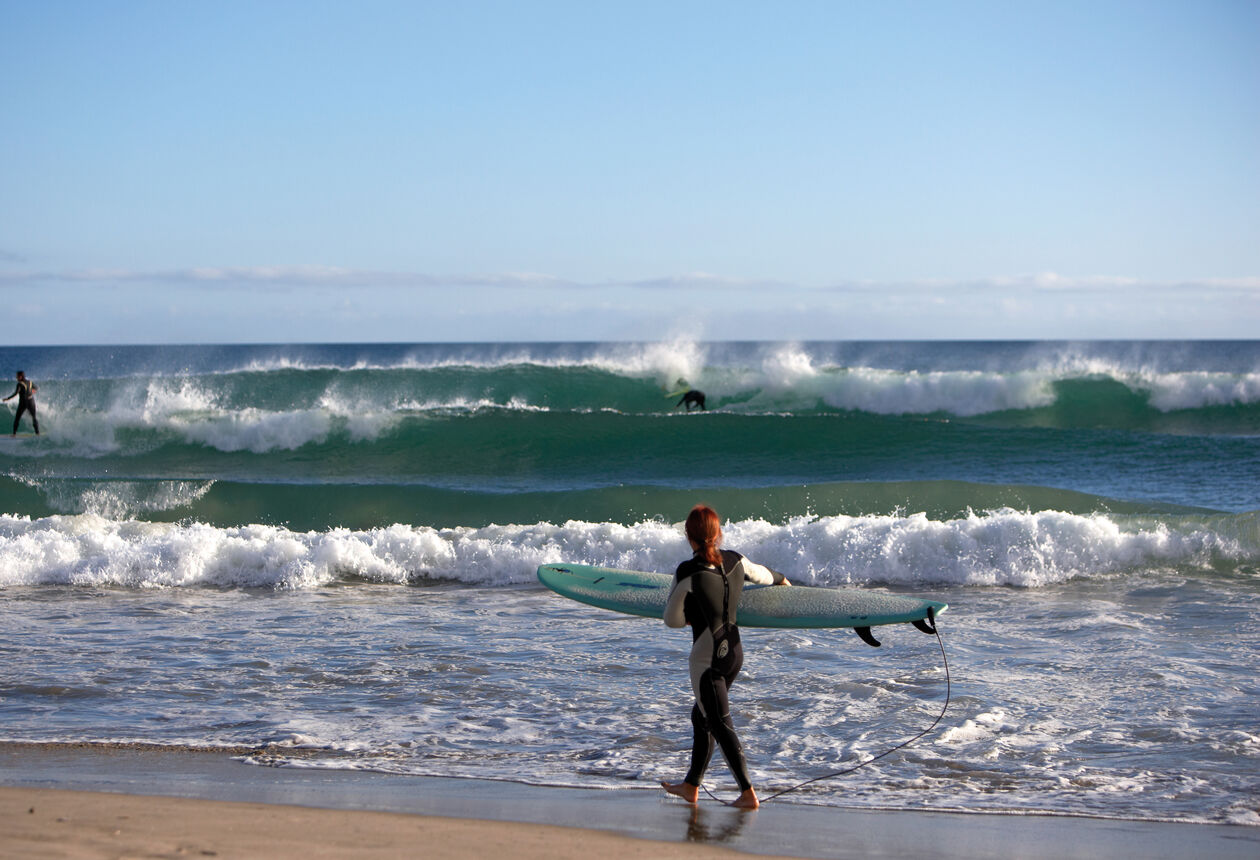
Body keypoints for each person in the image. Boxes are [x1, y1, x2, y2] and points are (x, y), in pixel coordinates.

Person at [660, 504, 790, 809]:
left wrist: (689, 615)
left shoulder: (687, 571)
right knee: (702, 715)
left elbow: (671, 620)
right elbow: (764, 575)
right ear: (718, 534)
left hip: (705, 660)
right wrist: (782, 580)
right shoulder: (736, 559)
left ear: (688, 536)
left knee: (718, 721)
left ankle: (747, 793)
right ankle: (691, 786)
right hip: (733, 654)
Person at [3, 370, 39, 436]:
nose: (16, 378)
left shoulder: (20, 384)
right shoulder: (30, 382)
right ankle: (37, 433)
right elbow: (36, 388)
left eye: (17, 376)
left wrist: (7, 398)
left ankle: (14, 434)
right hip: (31, 401)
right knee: (34, 418)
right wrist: (32, 391)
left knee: (17, 418)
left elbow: (15, 393)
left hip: (23, 402)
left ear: (20, 376)